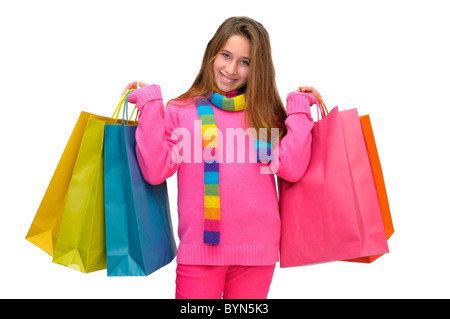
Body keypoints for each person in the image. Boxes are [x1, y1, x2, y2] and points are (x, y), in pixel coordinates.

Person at [124, 16, 321, 299]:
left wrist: (300, 111)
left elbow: (291, 168)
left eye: (245, 61)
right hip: (199, 255)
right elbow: (155, 171)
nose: (231, 69)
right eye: (226, 55)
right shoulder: (183, 112)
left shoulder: (263, 116)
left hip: (258, 255)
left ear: (258, 69)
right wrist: (150, 106)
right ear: (212, 53)